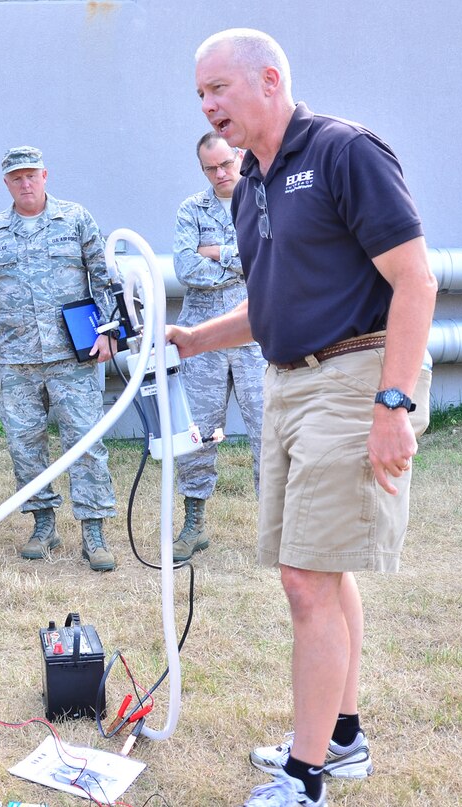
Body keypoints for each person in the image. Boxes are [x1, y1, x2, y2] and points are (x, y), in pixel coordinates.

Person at [171, 29, 436, 807]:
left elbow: (416, 280)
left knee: (305, 580)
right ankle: (343, 738)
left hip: (356, 374)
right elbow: (272, 304)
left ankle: (305, 776)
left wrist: (393, 401)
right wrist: (195, 338)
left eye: (219, 88)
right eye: (200, 97)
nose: (210, 106)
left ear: (270, 78)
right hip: (288, 382)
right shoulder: (251, 182)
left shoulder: (344, 152)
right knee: (323, 568)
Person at [0, 146, 118, 572]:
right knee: (25, 446)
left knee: (85, 443)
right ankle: (44, 524)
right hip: (18, 360)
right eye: (16, 178)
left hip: (73, 357)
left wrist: (110, 332)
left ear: (45, 175)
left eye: (31, 175)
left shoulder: (76, 220)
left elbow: (104, 279)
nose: (25, 183)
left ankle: (94, 531)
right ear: (6, 183)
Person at [171, 131, 266, 562]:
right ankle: (194, 524)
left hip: (259, 336)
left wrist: (217, 252)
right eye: (210, 168)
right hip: (203, 337)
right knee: (197, 433)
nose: (220, 174)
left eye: (226, 164)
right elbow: (186, 268)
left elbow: (275, 257)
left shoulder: (266, 199)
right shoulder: (192, 209)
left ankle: (274, 528)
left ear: (240, 156)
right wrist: (242, 261)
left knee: (270, 432)